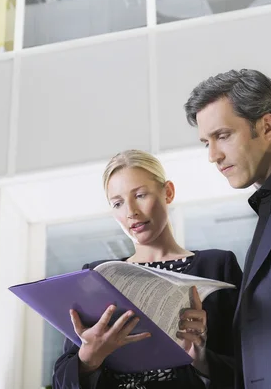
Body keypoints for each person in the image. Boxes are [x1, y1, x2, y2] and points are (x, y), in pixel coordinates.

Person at [53, 149, 242, 389]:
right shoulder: (96, 276)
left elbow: (256, 366)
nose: (131, 212)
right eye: (118, 203)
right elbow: (60, 381)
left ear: (168, 192)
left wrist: (200, 358)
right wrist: (88, 358)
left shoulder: (217, 266)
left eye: (140, 195)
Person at [184, 68, 271, 389]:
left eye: (223, 135)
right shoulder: (269, 208)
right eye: (205, 142)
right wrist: (202, 358)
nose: (213, 155)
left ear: (267, 126)